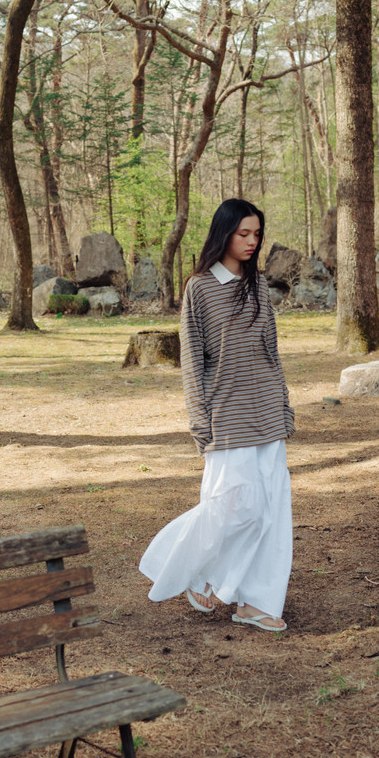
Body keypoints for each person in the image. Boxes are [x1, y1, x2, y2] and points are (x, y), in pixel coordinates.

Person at [139, 199, 294, 632]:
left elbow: (271, 353)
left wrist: (284, 406)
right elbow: (192, 362)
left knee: (271, 514)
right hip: (226, 416)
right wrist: (199, 421)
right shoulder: (200, 288)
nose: (252, 241)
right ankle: (192, 570)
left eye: (257, 234)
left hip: (267, 412)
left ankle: (256, 603)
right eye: (244, 233)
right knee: (235, 507)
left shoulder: (258, 284)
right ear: (224, 233)